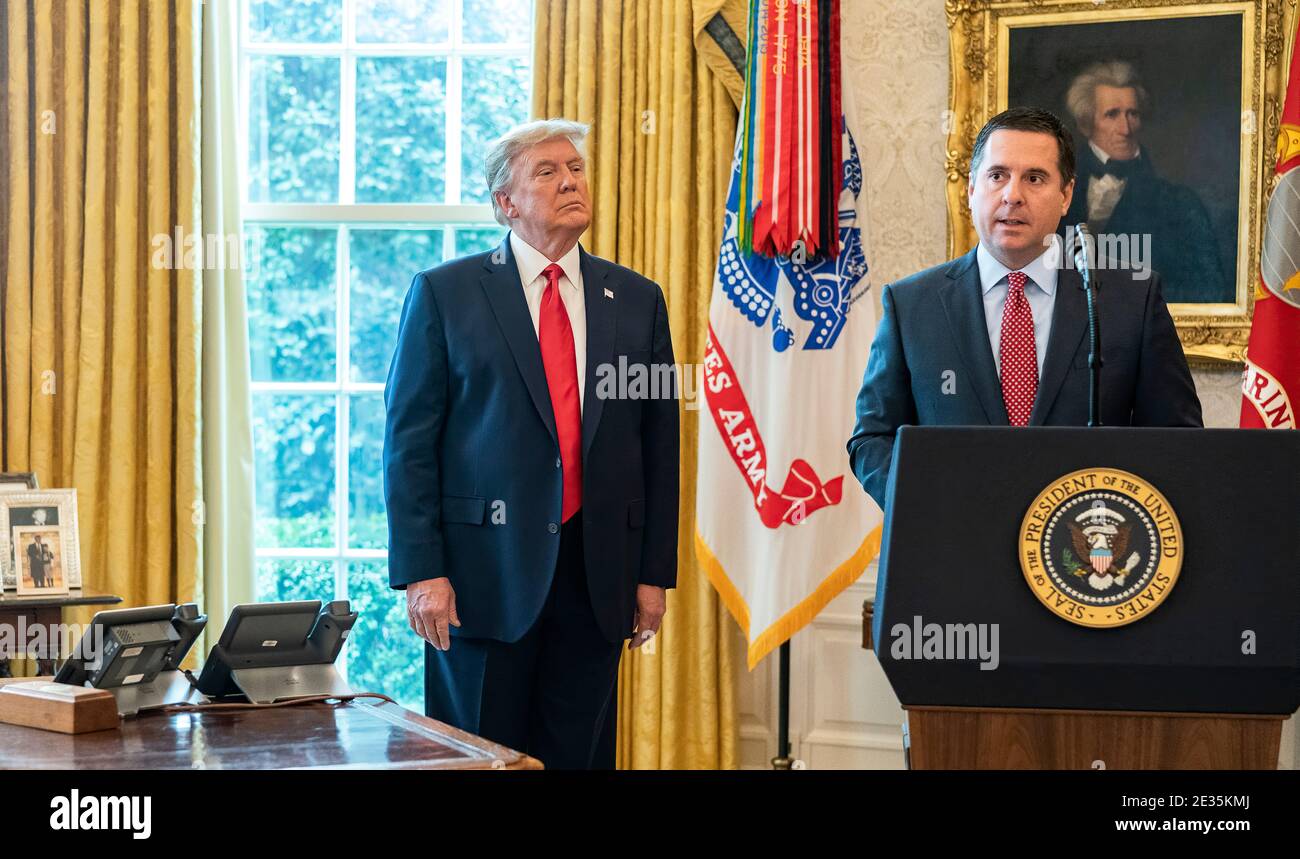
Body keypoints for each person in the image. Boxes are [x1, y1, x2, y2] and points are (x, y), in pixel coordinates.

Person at [383, 118, 679, 769]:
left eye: (574, 167)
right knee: (482, 762)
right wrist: (421, 569)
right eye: (547, 171)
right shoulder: (445, 293)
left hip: (597, 578)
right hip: (477, 582)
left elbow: (659, 443)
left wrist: (654, 571)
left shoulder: (636, 299)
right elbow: (408, 443)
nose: (570, 180)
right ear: (505, 203)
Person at [847, 106, 1203, 509]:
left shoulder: (1130, 299)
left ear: (1066, 195)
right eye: (997, 175)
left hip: (1088, 553)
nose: (1012, 195)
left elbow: (1178, 439)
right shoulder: (911, 305)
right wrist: (924, 504)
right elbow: (872, 437)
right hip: (950, 552)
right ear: (970, 190)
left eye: (1034, 178)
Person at [1061, 60, 1229, 303]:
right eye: (1112, 115)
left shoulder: (1180, 204)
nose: (1125, 128)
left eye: (1133, 114)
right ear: (1086, 124)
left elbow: (1208, 291)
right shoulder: (1055, 192)